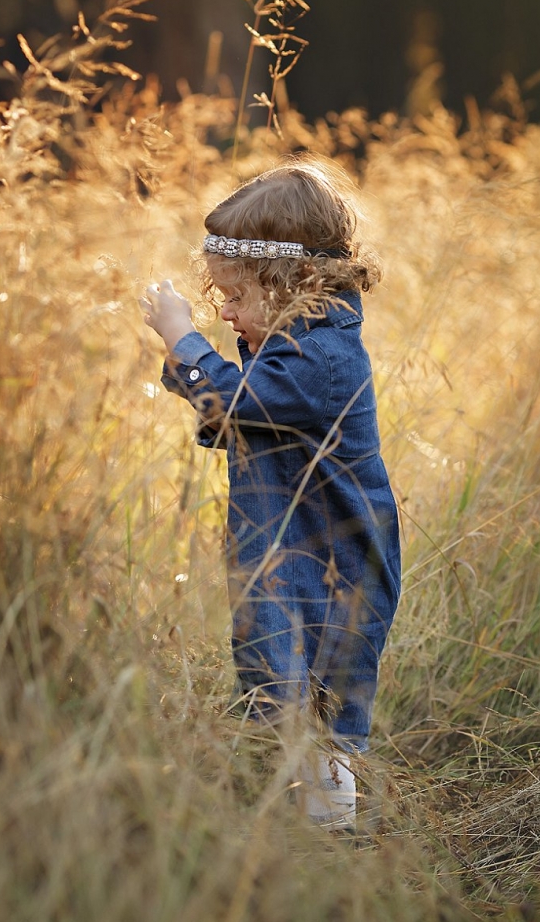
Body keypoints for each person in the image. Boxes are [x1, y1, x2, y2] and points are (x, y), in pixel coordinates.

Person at [139, 157, 400, 830]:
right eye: (217, 295)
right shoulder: (290, 343)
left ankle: (329, 841)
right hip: (284, 559)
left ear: (295, 284)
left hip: (333, 570)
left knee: (320, 701)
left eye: (235, 295)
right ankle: (288, 821)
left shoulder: (324, 359)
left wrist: (180, 337)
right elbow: (232, 415)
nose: (222, 310)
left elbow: (232, 402)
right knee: (273, 690)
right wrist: (191, 360)